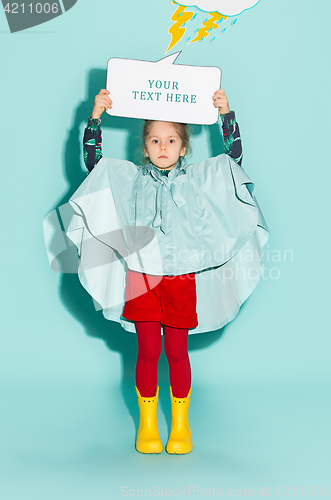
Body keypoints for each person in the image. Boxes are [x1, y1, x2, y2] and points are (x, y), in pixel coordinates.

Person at [67, 88, 269, 455]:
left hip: (181, 280)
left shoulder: (196, 179)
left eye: (171, 139)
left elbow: (233, 162)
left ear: (183, 147)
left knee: (177, 352)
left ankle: (180, 425)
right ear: (144, 147)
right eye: (155, 140)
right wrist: (95, 117)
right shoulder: (132, 179)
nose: (163, 146)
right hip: (142, 279)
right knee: (147, 351)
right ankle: (147, 425)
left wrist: (226, 115)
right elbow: (95, 165)